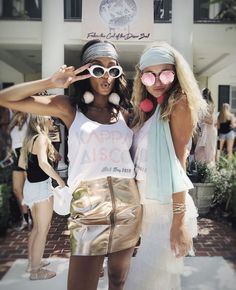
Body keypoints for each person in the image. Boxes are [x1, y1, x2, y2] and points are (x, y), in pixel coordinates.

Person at [0, 39, 142, 290]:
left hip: (127, 205)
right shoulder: (69, 108)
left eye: (113, 69)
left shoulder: (125, 113)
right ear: (86, 72)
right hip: (88, 207)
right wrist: (50, 83)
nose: (106, 76)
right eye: (98, 69)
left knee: (118, 281)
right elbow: (6, 98)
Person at [123, 41, 207, 290]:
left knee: (145, 281)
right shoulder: (152, 110)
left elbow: (177, 164)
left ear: (177, 74)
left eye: (166, 73)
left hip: (167, 208)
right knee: (161, 282)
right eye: (150, 75)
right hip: (148, 208)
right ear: (142, 78)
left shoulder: (178, 104)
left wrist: (178, 222)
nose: (158, 81)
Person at [18, 114, 65, 280]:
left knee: (37, 228)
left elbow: (23, 165)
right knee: (43, 230)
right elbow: (43, 164)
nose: (52, 120)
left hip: (30, 187)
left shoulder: (30, 139)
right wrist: (59, 180)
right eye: (49, 118)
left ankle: (33, 263)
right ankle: (36, 271)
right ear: (41, 121)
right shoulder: (43, 138)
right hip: (41, 188)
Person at [8, 110, 30, 230]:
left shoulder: (28, 113)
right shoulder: (11, 115)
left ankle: (35, 218)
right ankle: (26, 219)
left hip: (26, 153)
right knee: (17, 190)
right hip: (16, 155)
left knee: (30, 188)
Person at [194, 88, 217, 165]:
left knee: (206, 152)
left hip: (208, 130)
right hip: (206, 130)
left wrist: (201, 120)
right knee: (207, 152)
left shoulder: (209, 105)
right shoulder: (210, 105)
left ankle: (205, 170)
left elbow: (210, 121)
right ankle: (204, 170)